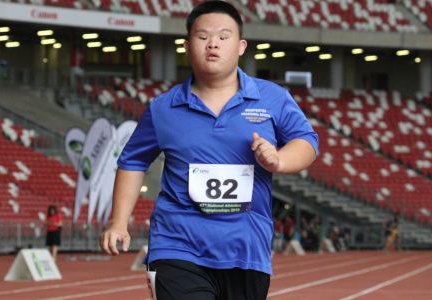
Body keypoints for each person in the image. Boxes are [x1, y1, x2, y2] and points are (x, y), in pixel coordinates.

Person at [100, 1, 318, 299]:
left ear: (241, 46)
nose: (212, 44)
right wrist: (118, 223)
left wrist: (278, 159)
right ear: (187, 47)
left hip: (246, 248)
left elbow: (307, 142)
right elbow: (133, 161)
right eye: (202, 37)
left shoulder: (273, 98)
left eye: (223, 37)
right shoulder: (163, 108)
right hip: (176, 244)